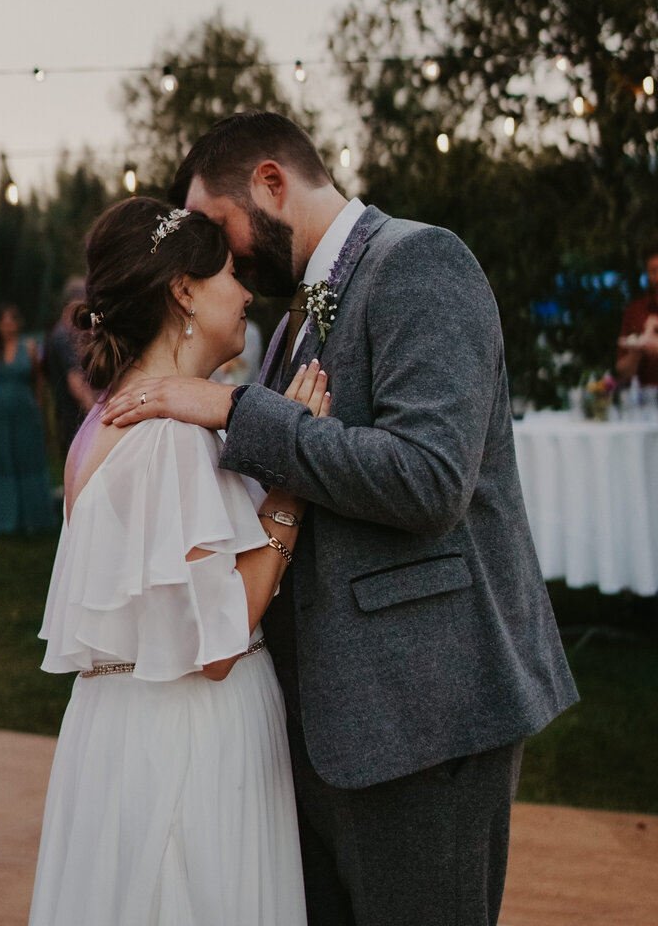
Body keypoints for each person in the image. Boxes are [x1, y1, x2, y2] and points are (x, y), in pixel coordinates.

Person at [102, 111, 579, 926]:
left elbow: (429, 481)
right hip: (325, 733)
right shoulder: (293, 321)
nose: (215, 258)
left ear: (271, 184)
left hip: (426, 722)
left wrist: (231, 408)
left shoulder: (423, 263)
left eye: (217, 230)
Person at [29, 197, 327, 926]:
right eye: (230, 272)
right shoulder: (165, 435)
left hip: (122, 729)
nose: (247, 292)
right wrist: (294, 477)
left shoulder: (104, 421)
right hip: (189, 747)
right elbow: (216, 642)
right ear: (183, 291)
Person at [0, 305, 54, 535]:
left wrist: (39, 407)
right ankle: (3, 520)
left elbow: (38, 380)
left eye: (12, 321)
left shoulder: (29, 348)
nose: (8, 325)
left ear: (19, 324)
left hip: (25, 410)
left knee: (29, 458)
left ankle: (34, 518)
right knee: (2, 460)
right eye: (4, 321)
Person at [42, 276, 96, 460]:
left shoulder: (60, 332)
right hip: (78, 422)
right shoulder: (64, 336)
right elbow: (76, 383)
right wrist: (100, 417)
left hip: (71, 419)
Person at [616, 246, 658, 387]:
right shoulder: (635, 311)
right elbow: (623, 372)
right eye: (653, 271)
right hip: (644, 398)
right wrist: (637, 352)